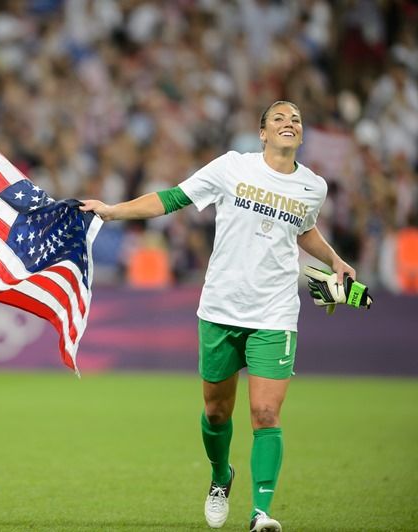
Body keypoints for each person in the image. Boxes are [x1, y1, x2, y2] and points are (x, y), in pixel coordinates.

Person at [81, 101, 356, 532]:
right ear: (262, 133)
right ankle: (220, 475)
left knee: (265, 413)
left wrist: (335, 260)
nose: (288, 123)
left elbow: (304, 229)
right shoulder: (232, 167)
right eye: (279, 118)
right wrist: (114, 211)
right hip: (221, 308)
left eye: (295, 120)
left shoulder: (313, 186)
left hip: (275, 312)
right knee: (215, 412)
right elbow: (173, 198)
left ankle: (261, 512)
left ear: (301, 135)